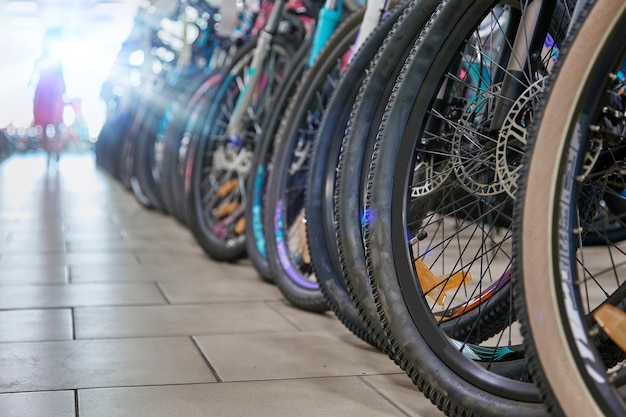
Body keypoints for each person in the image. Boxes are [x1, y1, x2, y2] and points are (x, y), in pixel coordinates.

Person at [32, 29, 66, 164]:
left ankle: (56, 150)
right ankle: (48, 151)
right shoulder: (40, 60)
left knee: (55, 124)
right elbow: (33, 77)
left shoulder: (56, 61)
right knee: (45, 125)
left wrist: (64, 93)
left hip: (54, 94)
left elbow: (62, 77)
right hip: (43, 94)